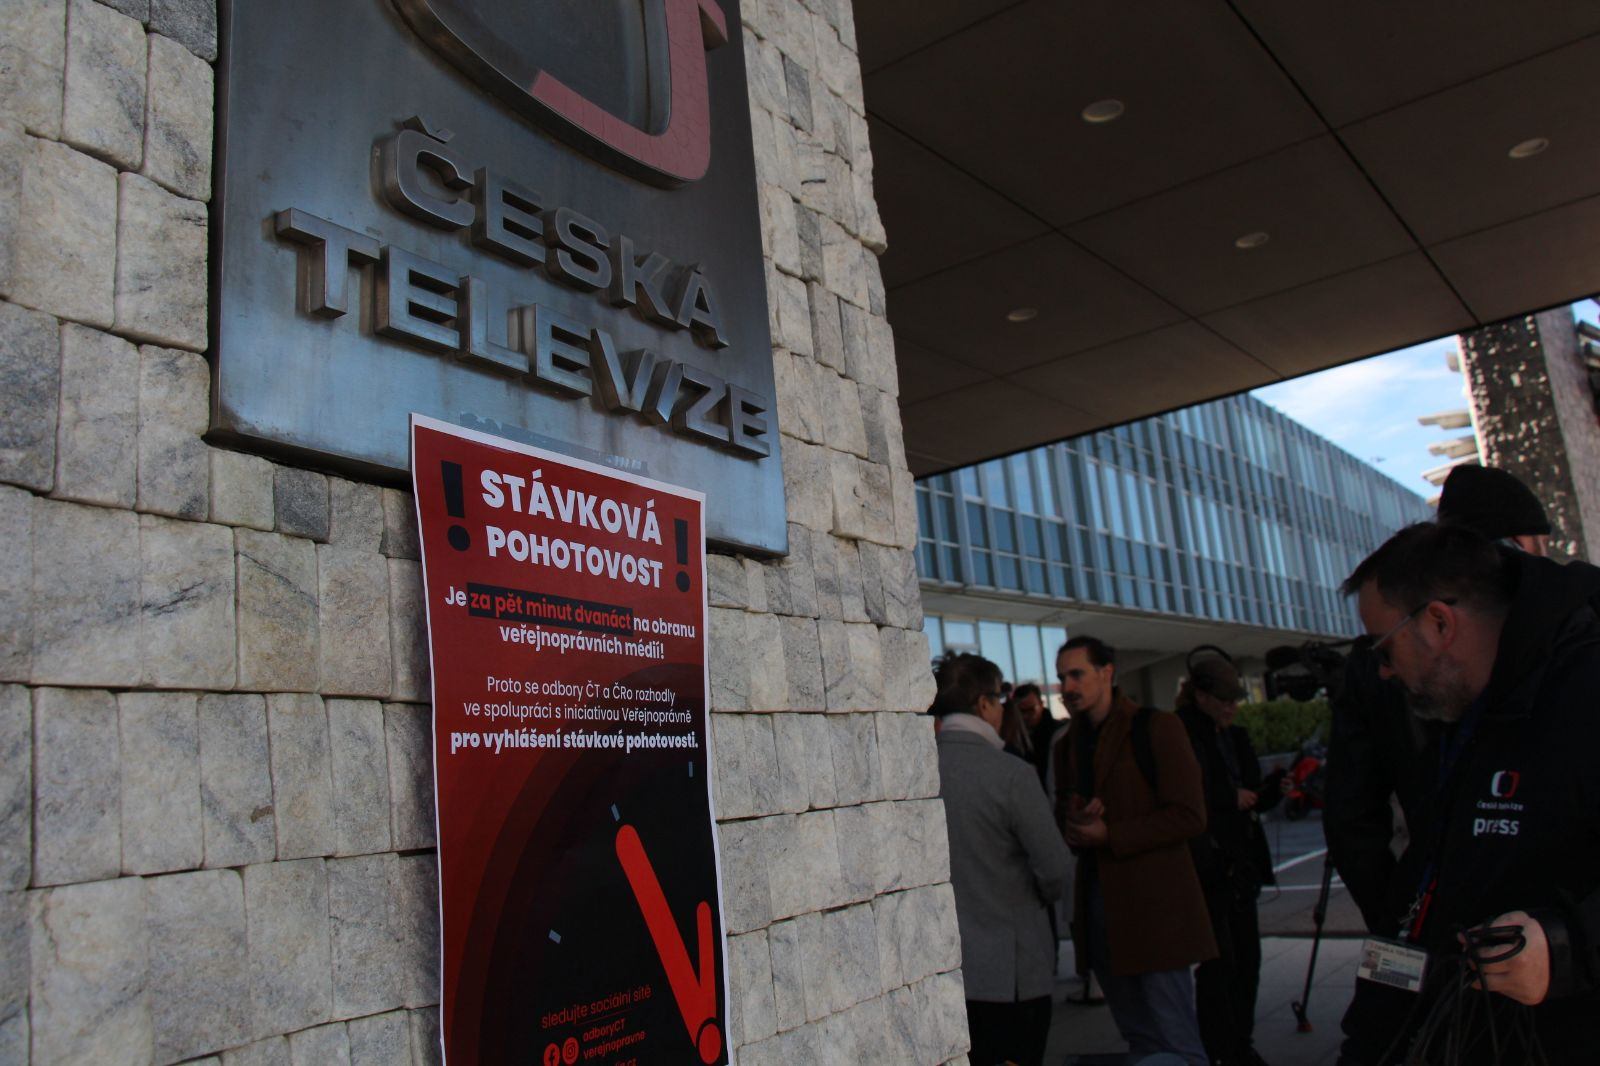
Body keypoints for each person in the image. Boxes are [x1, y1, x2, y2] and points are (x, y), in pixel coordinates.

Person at [1337, 521, 1600, 1064]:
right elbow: (1432, 878)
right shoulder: (1465, 715)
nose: (1382, 672)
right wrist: (1369, 1035)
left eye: (1383, 648)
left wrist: (1568, 947)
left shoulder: (1583, 688)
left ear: (1439, 622)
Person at [1326, 464, 1556, 934]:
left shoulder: (1571, 648)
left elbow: (1352, 819)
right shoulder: (1562, 638)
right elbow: (1351, 814)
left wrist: (1402, 920)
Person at [1053, 636, 1215, 1066]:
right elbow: (1065, 816)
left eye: (1076, 674)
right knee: (1141, 1041)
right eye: (1062, 677)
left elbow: (1189, 815)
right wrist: (1075, 821)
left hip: (1155, 911)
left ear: (1107, 673)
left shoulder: (1155, 727)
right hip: (1101, 913)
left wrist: (1111, 834)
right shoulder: (1068, 745)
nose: (1067, 687)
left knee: (1176, 1039)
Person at [930, 652, 1072, 1066]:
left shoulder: (918, 772)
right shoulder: (1011, 773)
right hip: (1012, 972)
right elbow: (1056, 868)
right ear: (984, 704)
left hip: (944, 967)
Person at [1175, 648, 1278, 1066]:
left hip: (1239, 859)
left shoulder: (1231, 736)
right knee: (1221, 962)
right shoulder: (1185, 733)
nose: (1232, 707)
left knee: (1246, 958)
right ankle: (1223, 1047)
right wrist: (1226, 797)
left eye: (1235, 700)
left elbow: (1250, 788)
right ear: (1201, 696)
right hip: (1210, 863)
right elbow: (1188, 793)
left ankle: (1237, 1044)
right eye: (1225, 700)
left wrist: (1269, 790)